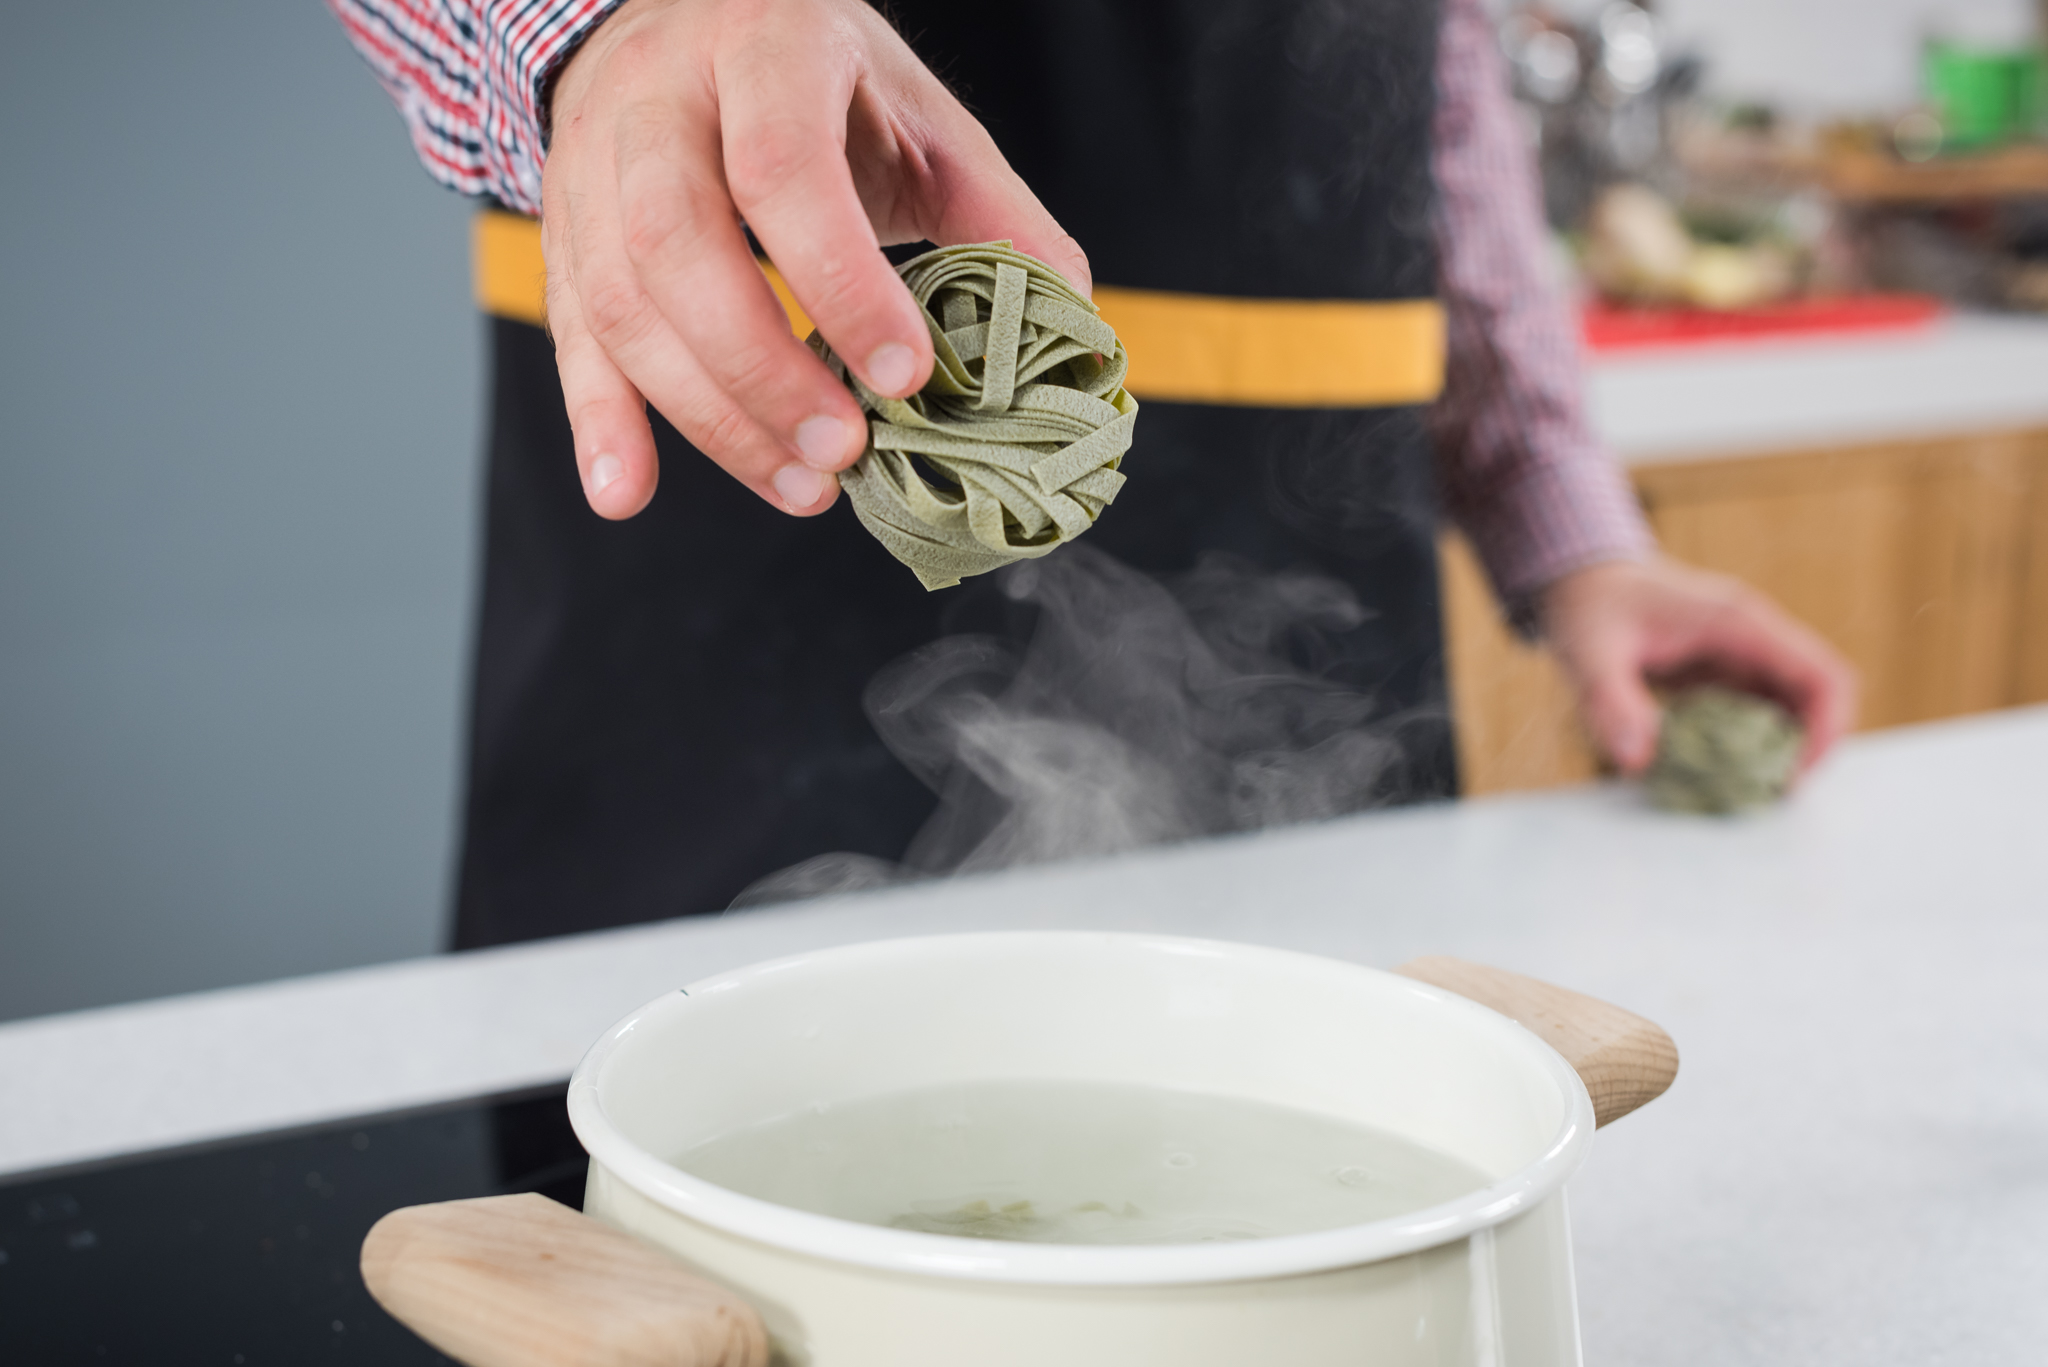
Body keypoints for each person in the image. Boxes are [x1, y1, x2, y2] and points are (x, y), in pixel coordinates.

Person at [330, 0, 1856, 948]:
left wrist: (1562, 526)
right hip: (729, 626)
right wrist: (597, 27)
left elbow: (1427, 81)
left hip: (1326, 643)